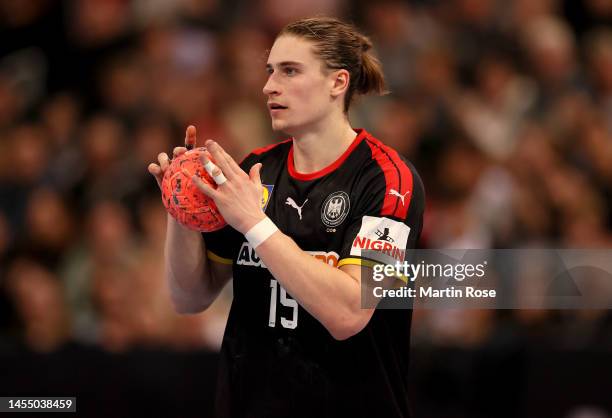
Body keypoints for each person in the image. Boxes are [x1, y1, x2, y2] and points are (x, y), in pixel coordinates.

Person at [148, 17, 424, 418]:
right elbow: (189, 297)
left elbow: (348, 313)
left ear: (338, 83)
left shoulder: (388, 179)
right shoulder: (256, 170)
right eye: (270, 71)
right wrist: (182, 204)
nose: (269, 86)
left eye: (290, 71)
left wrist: (255, 224)